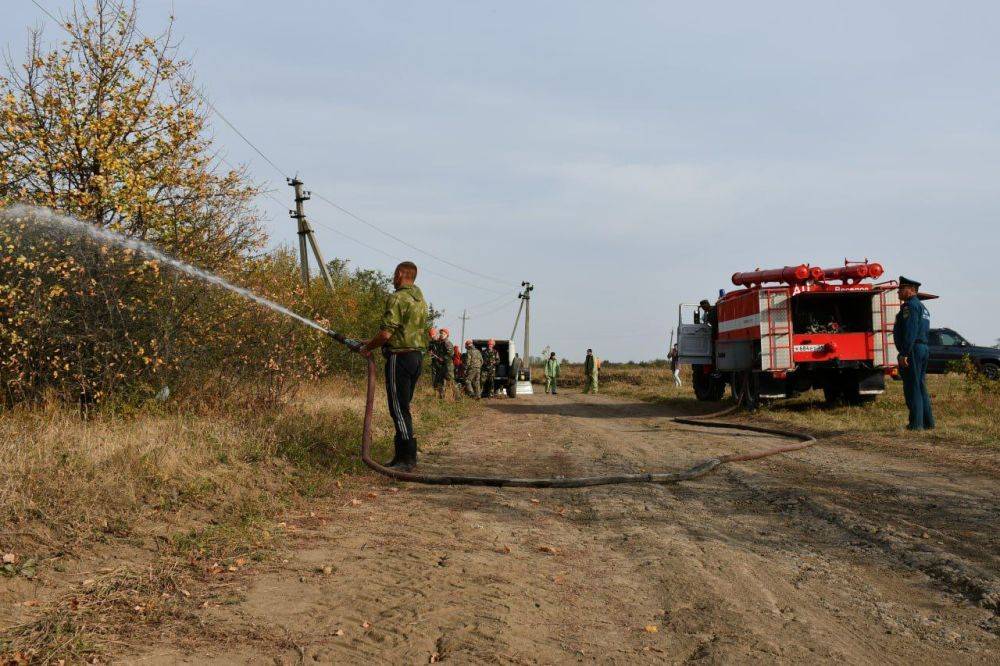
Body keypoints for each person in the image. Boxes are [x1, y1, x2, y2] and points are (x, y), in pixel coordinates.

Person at [361, 261, 429, 471]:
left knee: (398, 408)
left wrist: (368, 347)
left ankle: (406, 458)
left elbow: (386, 333)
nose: (392, 278)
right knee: (403, 407)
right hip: (416, 357)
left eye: (394, 274)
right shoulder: (419, 298)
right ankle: (402, 456)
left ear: (400, 274)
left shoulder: (397, 298)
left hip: (399, 357)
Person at [893, 276, 935, 431]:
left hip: (913, 349)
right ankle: (928, 422)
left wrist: (904, 353)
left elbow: (910, 331)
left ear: (910, 290)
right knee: (921, 385)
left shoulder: (909, 306)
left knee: (912, 386)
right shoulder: (923, 308)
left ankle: (916, 424)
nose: (898, 292)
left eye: (900, 289)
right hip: (922, 348)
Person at [430, 328, 455, 399]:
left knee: (451, 381)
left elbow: (451, 354)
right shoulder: (441, 343)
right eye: (440, 333)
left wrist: (443, 358)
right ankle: (441, 398)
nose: (441, 335)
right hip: (441, 366)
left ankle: (457, 398)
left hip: (448, 366)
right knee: (441, 382)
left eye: (443, 334)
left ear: (447, 335)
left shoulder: (447, 343)